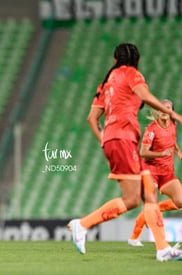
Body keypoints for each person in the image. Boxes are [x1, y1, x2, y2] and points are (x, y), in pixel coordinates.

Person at [69, 43, 182, 261]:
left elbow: (92, 119)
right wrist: (174, 115)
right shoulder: (131, 73)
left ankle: (162, 249)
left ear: (114, 59)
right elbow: (145, 96)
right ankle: (82, 224)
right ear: (136, 60)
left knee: (147, 196)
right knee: (133, 199)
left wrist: (105, 140)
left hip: (116, 139)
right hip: (123, 139)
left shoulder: (105, 84)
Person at [127, 99, 182, 246]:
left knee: (180, 201)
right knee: (151, 204)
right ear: (157, 111)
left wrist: (177, 151)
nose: (164, 110)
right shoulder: (152, 130)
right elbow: (143, 152)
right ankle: (134, 237)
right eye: (161, 108)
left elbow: (172, 139)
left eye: (168, 108)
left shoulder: (173, 125)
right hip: (151, 172)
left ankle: (156, 210)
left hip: (168, 172)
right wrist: (162, 153)